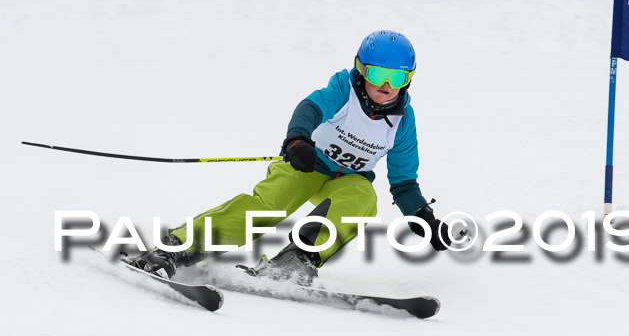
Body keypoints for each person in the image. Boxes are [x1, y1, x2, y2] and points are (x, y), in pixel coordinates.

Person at [128, 30, 451, 283]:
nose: (385, 85)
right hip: (306, 163)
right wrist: (297, 140)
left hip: (348, 180)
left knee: (363, 199)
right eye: (378, 73)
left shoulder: (402, 123)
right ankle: (176, 248)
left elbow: (404, 181)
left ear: (409, 79)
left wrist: (424, 218)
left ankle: (297, 261)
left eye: (397, 78)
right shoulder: (343, 91)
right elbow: (310, 108)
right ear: (361, 70)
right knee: (267, 208)